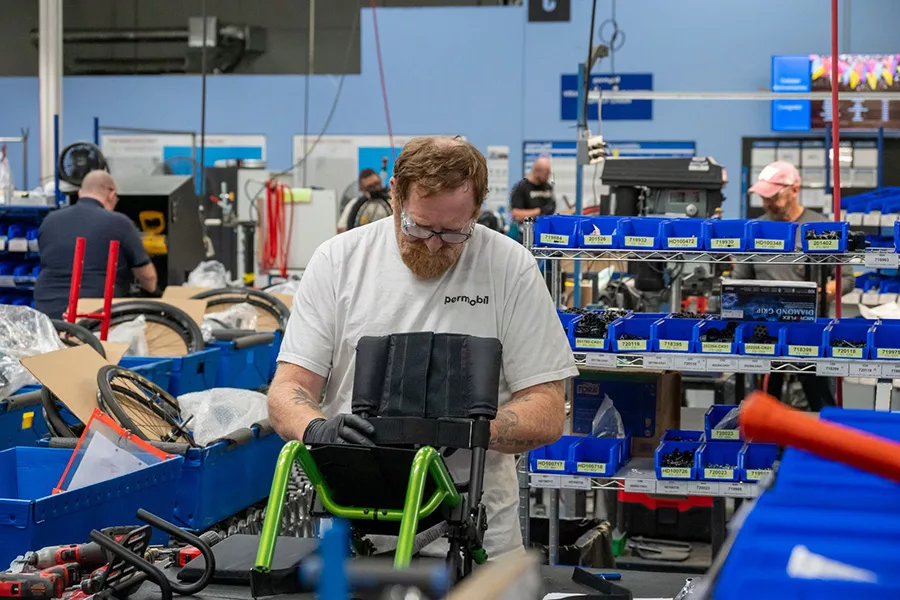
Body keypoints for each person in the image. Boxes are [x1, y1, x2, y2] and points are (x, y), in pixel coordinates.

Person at [268, 136, 578, 560]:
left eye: (453, 233)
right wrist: (317, 429)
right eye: (418, 227)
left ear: (478, 210)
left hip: (480, 536)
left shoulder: (509, 266)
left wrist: (476, 431)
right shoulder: (338, 261)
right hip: (357, 533)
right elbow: (287, 391)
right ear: (394, 195)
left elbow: (547, 407)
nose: (433, 243)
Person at [733, 160, 853, 411]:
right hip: (765, 332)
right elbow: (738, 280)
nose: (766, 204)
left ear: (794, 189)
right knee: (764, 403)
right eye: (763, 197)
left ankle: (827, 445)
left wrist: (825, 292)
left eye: (773, 196)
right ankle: (764, 449)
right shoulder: (755, 230)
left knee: (821, 402)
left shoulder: (820, 228)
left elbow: (846, 278)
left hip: (809, 331)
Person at [34, 170, 158, 319]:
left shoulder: (50, 220)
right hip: (94, 314)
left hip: (47, 312)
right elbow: (148, 277)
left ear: (80, 193)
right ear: (111, 194)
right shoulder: (119, 222)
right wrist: (153, 291)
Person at [337, 168, 389, 233]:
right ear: (362, 189)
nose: (376, 188)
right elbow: (341, 229)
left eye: (377, 184)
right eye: (370, 187)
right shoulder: (354, 204)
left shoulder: (391, 200)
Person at [509, 156, 556, 227]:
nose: (548, 176)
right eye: (546, 173)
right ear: (537, 171)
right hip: (526, 231)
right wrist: (540, 211)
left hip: (545, 230)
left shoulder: (548, 187)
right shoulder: (521, 187)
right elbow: (516, 214)